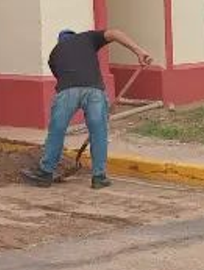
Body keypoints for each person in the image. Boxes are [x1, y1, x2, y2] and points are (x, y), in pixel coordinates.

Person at [22, 28, 153, 190]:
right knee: (99, 131)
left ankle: (45, 172)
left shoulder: (54, 53)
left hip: (67, 91)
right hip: (94, 91)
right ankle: (99, 177)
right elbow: (115, 33)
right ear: (75, 37)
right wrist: (139, 51)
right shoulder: (87, 38)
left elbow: (61, 79)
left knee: (57, 130)